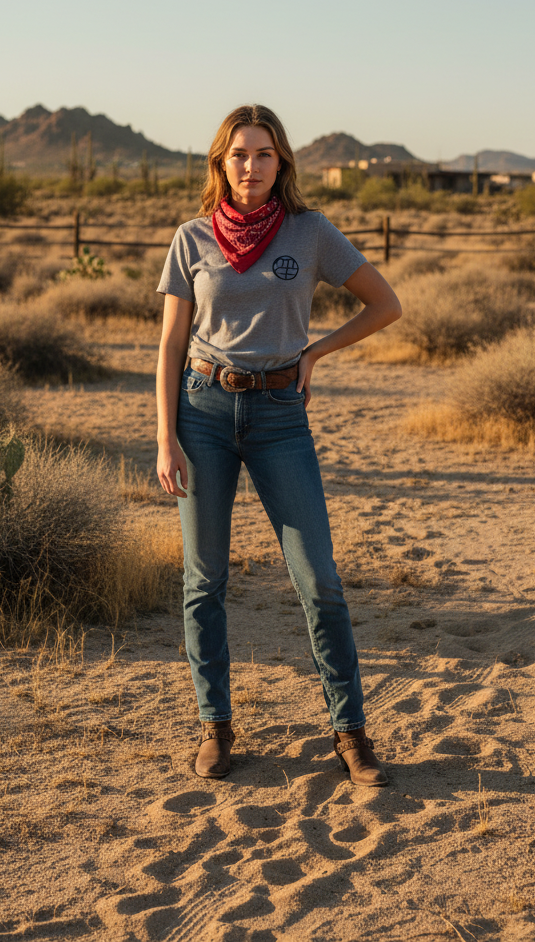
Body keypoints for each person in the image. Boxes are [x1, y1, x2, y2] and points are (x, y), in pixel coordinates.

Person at [155, 104, 402, 785]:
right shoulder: (191, 238)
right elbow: (172, 344)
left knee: (318, 579)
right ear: (219, 162)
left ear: (282, 163)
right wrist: (164, 437)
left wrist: (316, 352)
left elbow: (385, 304)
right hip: (202, 410)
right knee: (204, 580)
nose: (251, 166)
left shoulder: (310, 233)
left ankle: (349, 732)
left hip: (279, 416)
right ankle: (215, 726)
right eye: (239, 154)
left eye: (264, 155)